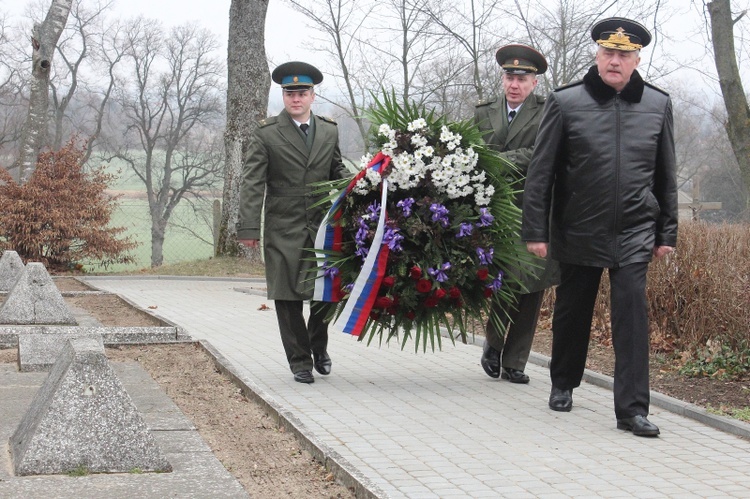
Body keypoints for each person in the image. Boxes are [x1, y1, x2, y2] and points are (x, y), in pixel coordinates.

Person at [522, 18, 677, 436]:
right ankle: (563, 383)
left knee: (632, 315)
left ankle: (632, 410)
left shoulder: (658, 105)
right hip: (579, 226)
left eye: (624, 55)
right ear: (597, 55)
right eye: (609, 52)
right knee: (574, 310)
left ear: (636, 59)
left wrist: (667, 233)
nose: (615, 60)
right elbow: (541, 173)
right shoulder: (566, 102)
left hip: (635, 230)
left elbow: (666, 175)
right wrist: (536, 231)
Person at [238, 61, 350, 384]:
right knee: (287, 296)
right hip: (282, 226)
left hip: (320, 225)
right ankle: (299, 360)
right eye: (290, 93)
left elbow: (337, 172)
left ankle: (318, 345)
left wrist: (363, 186)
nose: (296, 99)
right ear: (283, 96)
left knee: (323, 293)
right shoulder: (267, 134)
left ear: (313, 96)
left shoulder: (329, 131)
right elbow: (252, 183)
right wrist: (248, 228)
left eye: (302, 93)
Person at [475, 44, 559, 384]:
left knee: (532, 285)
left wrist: (497, 161)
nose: (515, 84)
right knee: (507, 280)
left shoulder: (548, 111)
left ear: (534, 83)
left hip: (534, 207)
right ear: (502, 78)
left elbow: (542, 152)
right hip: (494, 208)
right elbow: (471, 149)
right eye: (510, 76)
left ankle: (516, 362)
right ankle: (494, 345)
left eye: (522, 78)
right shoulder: (484, 111)